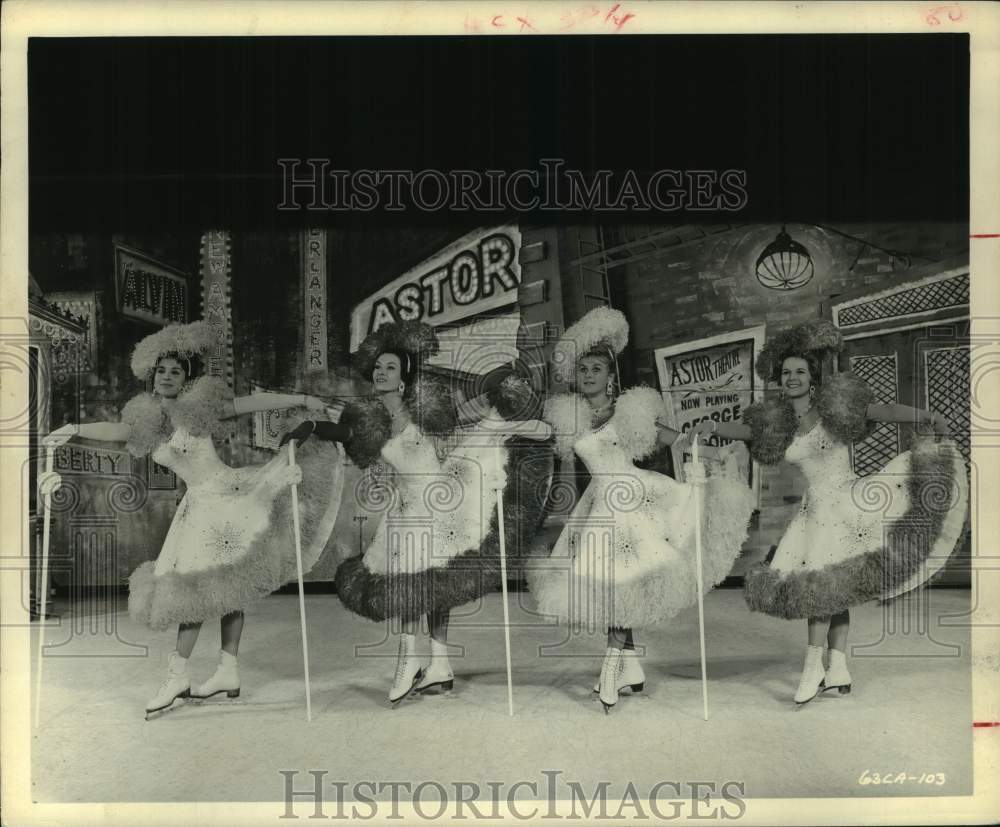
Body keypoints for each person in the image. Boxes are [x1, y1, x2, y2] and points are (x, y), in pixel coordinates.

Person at [41, 320, 344, 718]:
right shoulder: (145, 422)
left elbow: (251, 404)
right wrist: (71, 430)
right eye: (162, 371)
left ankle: (184, 674)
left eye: (176, 371)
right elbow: (116, 432)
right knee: (217, 588)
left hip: (231, 498)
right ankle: (225, 673)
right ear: (153, 376)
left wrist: (304, 398)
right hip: (198, 510)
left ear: (186, 379)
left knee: (216, 589)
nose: (168, 377)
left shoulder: (201, 410)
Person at [690, 319, 967, 705]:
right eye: (786, 373)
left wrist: (924, 416)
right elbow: (745, 432)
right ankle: (838, 670)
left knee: (820, 589)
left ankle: (812, 666)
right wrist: (713, 426)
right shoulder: (779, 423)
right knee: (833, 590)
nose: (792, 378)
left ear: (813, 377)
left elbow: (883, 409)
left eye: (799, 372)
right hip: (813, 513)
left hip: (848, 503)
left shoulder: (834, 408)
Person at [281, 320, 553, 705]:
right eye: (378, 367)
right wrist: (310, 425)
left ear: (404, 378)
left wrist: (505, 381)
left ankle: (426, 661)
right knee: (418, 580)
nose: (381, 372)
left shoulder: (428, 407)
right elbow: (342, 435)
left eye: (390, 367)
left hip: (441, 499)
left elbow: (476, 405)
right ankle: (424, 662)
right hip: (406, 510)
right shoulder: (367, 419)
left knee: (430, 580)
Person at [525, 307, 756, 713]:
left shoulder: (628, 413)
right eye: (584, 370)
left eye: (597, 368)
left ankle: (611, 669)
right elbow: (558, 464)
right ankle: (630, 666)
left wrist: (714, 449)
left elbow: (677, 441)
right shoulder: (571, 420)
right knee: (609, 588)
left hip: (635, 503)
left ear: (611, 377)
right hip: (597, 508)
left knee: (623, 585)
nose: (590, 375)